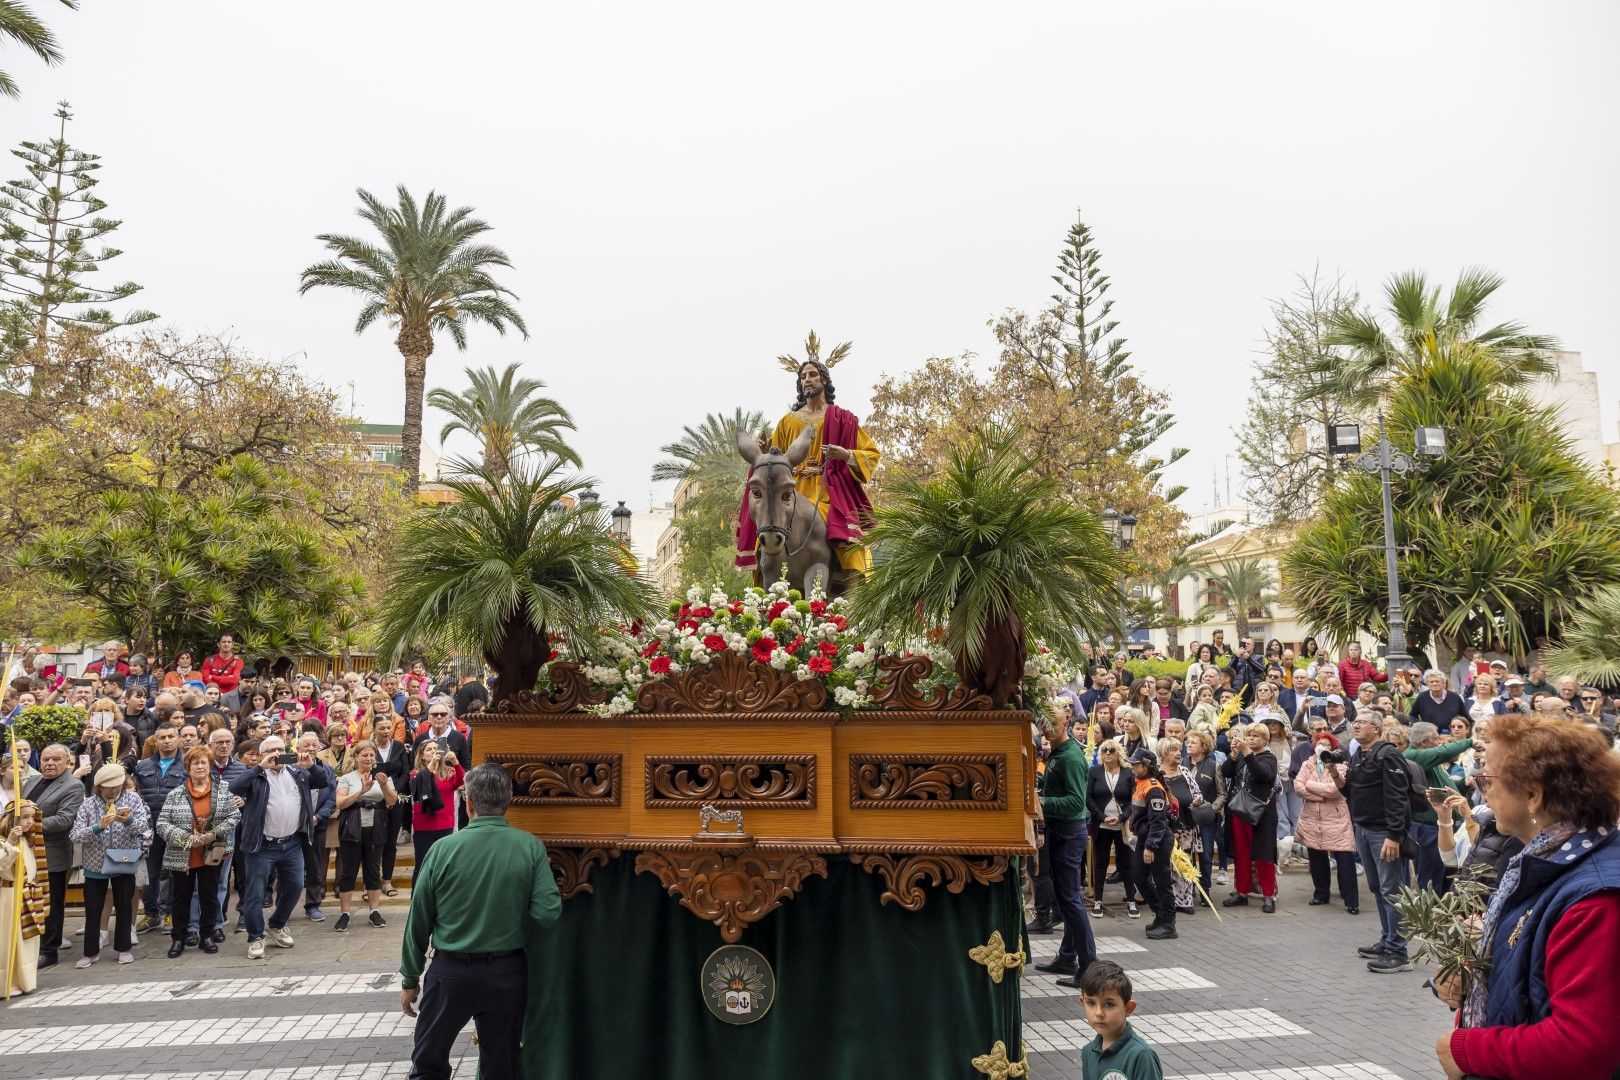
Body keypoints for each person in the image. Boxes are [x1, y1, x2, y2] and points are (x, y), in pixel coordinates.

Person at [1433, 714, 1620, 1079]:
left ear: (1534, 795)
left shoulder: (1595, 899)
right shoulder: (1545, 861)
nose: (1481, 788)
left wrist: (1466, 1049)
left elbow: (1582, 1045)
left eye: (1487, 777)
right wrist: (1469, 975)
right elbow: (1530, 976)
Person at [400, 763, 563, 1080]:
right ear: (508, 801)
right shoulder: (529, 847)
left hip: (450, 972)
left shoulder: (442, 849)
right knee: (500, 1065)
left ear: (469, 803)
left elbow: (419, 919)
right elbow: (547, 913)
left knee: (428, 1064)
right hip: (507, 971)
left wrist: (410, 978)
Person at [735, 344, 880, 580]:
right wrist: (764, 455)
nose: (807, 380)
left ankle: (852, 578)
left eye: (812, 375)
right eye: (803, 376)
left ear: (824, 379)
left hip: (828, 490)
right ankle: (765, 579)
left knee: (842, 533)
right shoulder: (787, 422)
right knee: (770, 523)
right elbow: (776, 461)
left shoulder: (842, 419)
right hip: (792, 489)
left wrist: (846, 455)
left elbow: (871, 454)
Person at [228, 734, 329, 960]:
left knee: (295, 886)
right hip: (262, 844)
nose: (276, 754)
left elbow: (324, 781)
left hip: (292, 842)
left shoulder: (298, 773)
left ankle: (276, 924)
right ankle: (255, 937)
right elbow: (232, 787)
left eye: (280, 749)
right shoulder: (256, 776)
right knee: (254, 894)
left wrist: (311, 765)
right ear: (262, 755)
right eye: (270, 750)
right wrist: (259, 768)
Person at [1338, 708, 1414, 975]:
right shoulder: (1359, 754)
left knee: (1392, 890)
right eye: (1355, 722)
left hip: (1383, 832)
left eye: (1362, 723)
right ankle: (1387, 940)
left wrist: (1394, 835)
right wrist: (1337, 777)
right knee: (1379, 888)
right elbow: (1352, 791)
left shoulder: (1389, 754)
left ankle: (1399, 952)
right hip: (1363, 828)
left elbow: (1397, 797)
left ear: (1377, 729)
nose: (1356, 726)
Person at [1030, 706, 1094, 990]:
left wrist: (1042, 802)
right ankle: (1068, 956)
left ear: (1066, 721)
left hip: (1068, 832)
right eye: (1044, 723)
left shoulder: (1069, 757)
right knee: (1065, 896)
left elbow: (1075, 802)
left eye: (1052, 723)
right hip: (1060, 830)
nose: (1047, 729)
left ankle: (1089, 966)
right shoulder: (1057, 753)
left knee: (1070, 899)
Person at [155, 745, 239, 957]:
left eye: (203, 762)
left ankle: (207, 935)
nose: (200, 766)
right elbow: (162, 824)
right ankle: (179, 938)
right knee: (181, 899)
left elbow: (234, 816)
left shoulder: (221, 790)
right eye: (195, 763)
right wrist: (185, 838)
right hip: (183, 855)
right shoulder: (175, 794)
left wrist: (214, 834)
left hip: (211, 854)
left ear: (210, 765)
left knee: (209, 897)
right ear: (187, 767)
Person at [69, 764, 149, 966]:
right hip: (95, 863)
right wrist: (97, 827)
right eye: (108, 787)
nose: (113, 790)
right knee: (93, 908)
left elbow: (143, 827)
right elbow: (75, 835)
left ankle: (124, 948)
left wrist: (129, 820)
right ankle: (90, 952)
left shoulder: (132, 799)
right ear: (99, 787)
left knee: (124, 904)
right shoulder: (88, 804)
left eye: (117, 786)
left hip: (123, 858)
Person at [23, 744, 83, 969]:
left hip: (53, 854)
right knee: (31, 900)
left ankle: (49, 950)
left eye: (56, 759)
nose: (49, 763)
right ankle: (32, 945)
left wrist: (29, 825)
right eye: (46, 759)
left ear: (67, 762)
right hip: (28, 852)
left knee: (52, 904)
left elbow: (64, 820)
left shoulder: (73, 786)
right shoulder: (32, 781)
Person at [1404, 720, 1473, 895]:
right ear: (1424, 742)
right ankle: (1430, 918)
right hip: (1428, 828)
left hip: (1442, 826)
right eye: (1436, 738)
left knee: (1446, 874)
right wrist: (1471, 741)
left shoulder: (1427, 756)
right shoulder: (1413, 756)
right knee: (1431, 879)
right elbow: (1446, 751)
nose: (1440, 742)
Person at [1293, 731, 1358, 913]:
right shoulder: (1307, 763)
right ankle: (1321, 893)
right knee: (1316, 858)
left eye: (1327, 745)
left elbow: (1335, 790)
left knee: (1344, 858)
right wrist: (1322, 796)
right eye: (1319, 743)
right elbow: (1298, 786)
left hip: (1336, 818)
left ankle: (1351, 900)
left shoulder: (1341, 766)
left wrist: (1312, 787)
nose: (1323, 747)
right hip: (1312, 818)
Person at [1220, 722, 1280, 912]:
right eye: (1249, 736)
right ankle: (1242, 892)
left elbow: (1263, 775)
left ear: (1265, 739)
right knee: (1241, 853)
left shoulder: (1269, 758)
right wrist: (1233, 754)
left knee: (1263, 854)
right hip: (1238, 810)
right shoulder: (1240, 755)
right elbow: (1225, 772)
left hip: (1261, 813)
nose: (1251, 739)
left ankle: (1268, 895)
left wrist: (1248, 754)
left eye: (1256, 736)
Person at [133, 724, 186, 934]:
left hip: (175, 827)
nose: (167, 741)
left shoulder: (187, 764)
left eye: (171, 736)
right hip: (148, 827)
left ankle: (172, 913)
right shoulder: (142, 766)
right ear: (155, 740)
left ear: (178, 739)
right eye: (162, 737)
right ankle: (151, 914)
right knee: (150, 873)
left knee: (174, 873)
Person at [1077, 960, 1164, 1080]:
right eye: (1091, 1003)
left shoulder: (1141, 1055)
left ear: (1128, 1008)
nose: (1098, 1013)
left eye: (1109, 1004)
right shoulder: (1088, 1052)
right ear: (1083, 1002)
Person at [1126, 747, 1177, 940]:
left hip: (1157, 840)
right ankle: (1159, 913)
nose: (1132, 767)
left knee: (1163, 882)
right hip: (1143, 838)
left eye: (1135, 764)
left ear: (1146, 765)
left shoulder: (1154, 788)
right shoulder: (1141, 782)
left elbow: (1158, 822)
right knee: (1139, 878)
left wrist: (1150, 846)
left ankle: (1168, 923)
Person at [1086, 740, 1139, 918]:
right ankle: (1098, 901)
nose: (1107, 753)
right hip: (1101, 825)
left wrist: (1122, 817)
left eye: (1111, 750)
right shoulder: (1094, 771)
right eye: (1104, 750)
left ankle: (1131, 900)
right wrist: (1102, 817)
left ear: (1119, 754)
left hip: (1122, 825)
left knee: (1126, 863)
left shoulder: (1128, 773)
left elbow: (1134, 800)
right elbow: (1089, 798)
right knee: (1100, 863)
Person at [0, 798, 44, 996]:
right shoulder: (3, 841)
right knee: (10, 940)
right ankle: (7, 983)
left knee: (27, 941)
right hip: (9, 896)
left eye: (32, 818)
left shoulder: (29, 840)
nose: (29, 822)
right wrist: (9, 842)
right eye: (24, 817)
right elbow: (2, 866)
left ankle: (25, 981)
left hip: (28, 894)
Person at [409, 739, 464, 885]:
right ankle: (417, 902)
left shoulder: (449, 772)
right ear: (421, 755)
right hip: (424, 828)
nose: (434, 751)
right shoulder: (416, 774)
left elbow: (461, 781)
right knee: (422, 866)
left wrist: (455, 761)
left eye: (436, 748)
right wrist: (432, 765)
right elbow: (419, 785)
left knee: (444, 867)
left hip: (445, 825)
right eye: (429, 749)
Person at [1156, 738, 1199, 915]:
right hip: (1164, 828)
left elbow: (1196, 792)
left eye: (1178, 750)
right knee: (1165, 864)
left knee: (1184, 863)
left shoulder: (1185, 771)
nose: (1178, 754)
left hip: (1185, 827)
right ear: (1164, 753)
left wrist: (1198, 799)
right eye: (1173, 750)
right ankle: (1168, 901)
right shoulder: (1156, 774)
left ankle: (1185, 900)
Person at [296, 731, 335, 923]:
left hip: (316, 825)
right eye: (306, 746)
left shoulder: (326, 769)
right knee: (288, 867)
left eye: (314, 745)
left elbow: (332, 796)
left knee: (315, 866)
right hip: (293, 826)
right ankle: (284, 905)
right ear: (298, 749)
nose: (311, 749)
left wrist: (319, 817)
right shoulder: (290, 768)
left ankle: (313, 904)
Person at [370, 718, 411, 897]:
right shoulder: (368, 748)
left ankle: (387, 880)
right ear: (374, 729)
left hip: (396, 799)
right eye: (382, 728)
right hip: (374, 800)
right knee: (373, 842)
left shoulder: (399, 747)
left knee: (390, 842)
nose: (386, 731)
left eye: (389, 727)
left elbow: (405, 773)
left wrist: (393, 793)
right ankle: (371, 883)